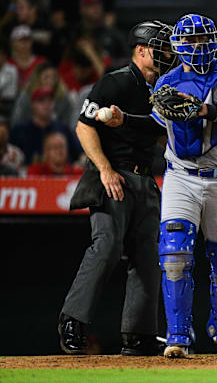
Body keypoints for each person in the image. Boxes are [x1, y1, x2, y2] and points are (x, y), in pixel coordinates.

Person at [105, 14, 217, 358]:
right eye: (190, 42)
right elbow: (157, 124)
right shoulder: (166, 82)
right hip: (181, 176)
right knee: (174, 253)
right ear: (178, 46)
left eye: (202, 41)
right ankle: (177, 335)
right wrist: (122, 119)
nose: (197, 48)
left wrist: (207, 111)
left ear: (213, 42)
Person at [57, 20, 176, 356]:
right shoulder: (116, 81)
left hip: (145, 180)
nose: (167, 54)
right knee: (106, 246)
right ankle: (73, 322)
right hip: (114, 178)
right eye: (161, 48)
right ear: (141, 51)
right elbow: (84, 127)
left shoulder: (162, 89)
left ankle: (139, 335)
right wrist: (106, 169)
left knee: (147, 257)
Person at [9, 86, 81, 165]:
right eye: (41, 100)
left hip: (60, 175)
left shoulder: (63, 128)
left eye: (50, 100)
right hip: (27, 175)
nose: (46, 104)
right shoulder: (19, 130)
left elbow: (77, 156)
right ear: (32, 104)